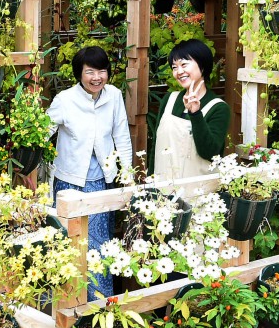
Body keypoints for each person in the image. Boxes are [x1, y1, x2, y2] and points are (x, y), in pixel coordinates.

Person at [46, 46, 132, 298]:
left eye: (102, 71)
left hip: (100, 182)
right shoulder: (64, 100)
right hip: (68, 184)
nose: (97, 78)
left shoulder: (113, 96)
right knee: (67, 243)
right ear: (79, 74)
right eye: (90, 72)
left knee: (98, 246)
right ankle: (66, 301)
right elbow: (42, 134)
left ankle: (98, 304)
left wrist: (127, 175)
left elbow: (122, 137)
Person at [151, 38, 230, 181]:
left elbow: (211, 153)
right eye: (174, 67)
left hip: (198, 193)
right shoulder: (170, 99)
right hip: (162, 190)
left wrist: (196, 114)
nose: (179, 72)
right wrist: (149, 184)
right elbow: (156, 146)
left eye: (184, 64)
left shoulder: (218, 107)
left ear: (202, 65)